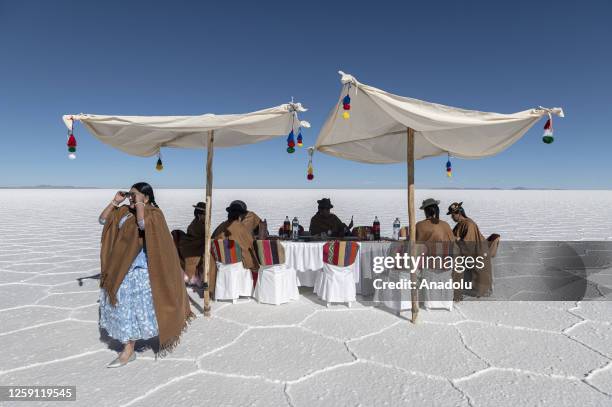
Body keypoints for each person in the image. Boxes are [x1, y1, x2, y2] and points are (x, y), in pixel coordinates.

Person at [98, 182, 194, 368]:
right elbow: (103, 220)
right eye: (130, 194)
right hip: (119, 269)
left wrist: (141, 203)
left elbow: (143, 226)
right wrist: (115, 202)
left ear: (146, 197)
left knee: (140, 310)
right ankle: (129, 349)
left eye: (135, 195)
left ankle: (129, 350)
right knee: (123, 310)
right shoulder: (124, 211)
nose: (131, 198)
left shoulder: (153, 213)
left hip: (141, 271)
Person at [415, 198, 461, 301]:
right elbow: (453, 243)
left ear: (426, 212)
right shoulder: (445, 224)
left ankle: (422, 297)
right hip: (447, 265)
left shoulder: (420, 225)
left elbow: (415, 244)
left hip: (429, 265)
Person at [210, 201, 260, 291]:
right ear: (240, 216)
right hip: (237, 262)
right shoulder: (241, 228)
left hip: (220, 261)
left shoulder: (222, 226)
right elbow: (250, 245)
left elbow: (213, 238)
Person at [448, 202, 492, 297]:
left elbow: (468, 243)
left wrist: (458, 241)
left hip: (478, 252)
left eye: (453, 215)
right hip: (472, 253)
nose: (452, 217)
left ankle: (481, 292)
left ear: (459, 213)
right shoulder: (461, 223)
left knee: (480, 276)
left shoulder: (468, 224)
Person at [177, 202, 206, 287]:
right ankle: (191, 279)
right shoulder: (198, 225)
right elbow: (198, 238)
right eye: (205, 214)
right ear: (200, 215)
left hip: (192, 246)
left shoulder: (200, 223)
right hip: (191, 248)